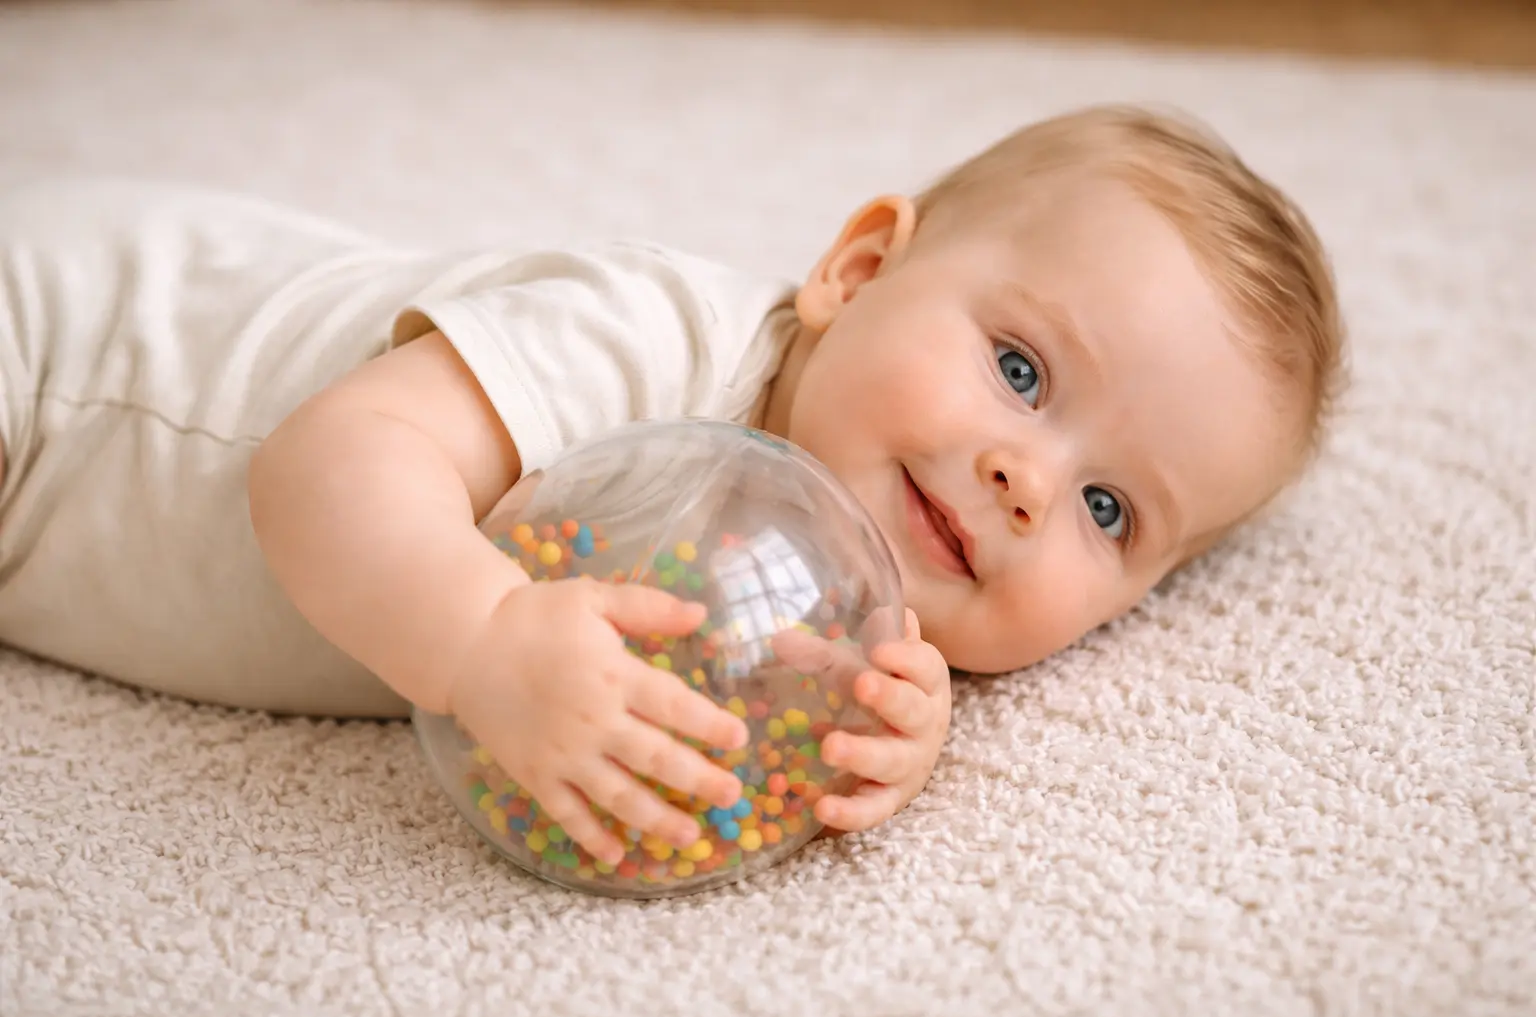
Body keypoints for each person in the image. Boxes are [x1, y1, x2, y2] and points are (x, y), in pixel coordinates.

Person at [0, 105, 1344, 866]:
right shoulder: (642, 338)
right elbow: (324, 468)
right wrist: (479, 641)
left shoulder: (847, 596)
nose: (1026, 483)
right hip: (61, 351)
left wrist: (889, 729)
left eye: (1110, 513)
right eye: (1019, 368)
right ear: (859, 275)